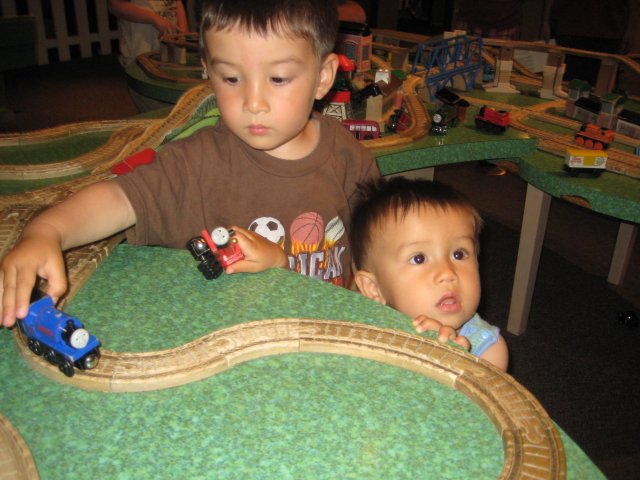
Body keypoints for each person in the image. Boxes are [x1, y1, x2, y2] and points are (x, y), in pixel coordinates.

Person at [0, 0, 380, 328]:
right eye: (231, 78)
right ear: (208, 71)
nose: (253, 102)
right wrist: (47, 230)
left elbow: (374, 259)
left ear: (323, 77)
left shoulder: (349, 158)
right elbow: (119, 198)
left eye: (278, 78)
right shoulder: (196, 163)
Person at [349, 176, 509, 371]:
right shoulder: (367, 329)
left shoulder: (489, 351)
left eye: (459, 254)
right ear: (374, 289)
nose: (447, 273)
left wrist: (447, 359)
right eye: (419, 258)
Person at [108, 0, 190, 111]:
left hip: (171, 51)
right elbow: (115, 5)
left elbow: (177, 3)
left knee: (177, 100)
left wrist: (183, 32)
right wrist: (154, 19)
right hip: (141, 51)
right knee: (153, 102)